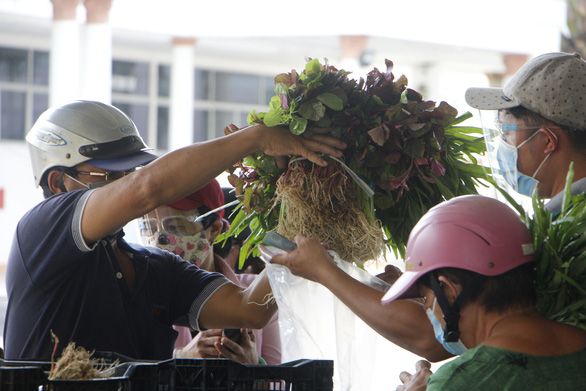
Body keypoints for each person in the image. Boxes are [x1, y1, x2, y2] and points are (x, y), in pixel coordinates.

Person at [4, 100, 345, 361]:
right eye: (109, 176)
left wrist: (300, 223)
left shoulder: (152, 267)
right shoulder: (39, 232)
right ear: (57, 181)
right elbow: (146, 190)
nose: (123, 183)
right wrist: (255, 139)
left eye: (129, 171)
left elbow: (249, 309)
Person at [382, 195, 586, 390]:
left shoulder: (461, 381)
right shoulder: (579, 343)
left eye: (427, 298)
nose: (427, 308)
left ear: (450, 290)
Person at [139, 179, 281, 364]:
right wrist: (181, 358)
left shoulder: (258, 291)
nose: (159, 240)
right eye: (149, 228)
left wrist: (253, 367)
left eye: (175, 227)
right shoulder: (140, 295)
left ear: (214, 230)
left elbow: (278, 380)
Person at [464, 52, 586, 212]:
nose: (503, 144)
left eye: (506, 131)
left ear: (547, 140)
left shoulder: (573, 230)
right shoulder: (566, 218)